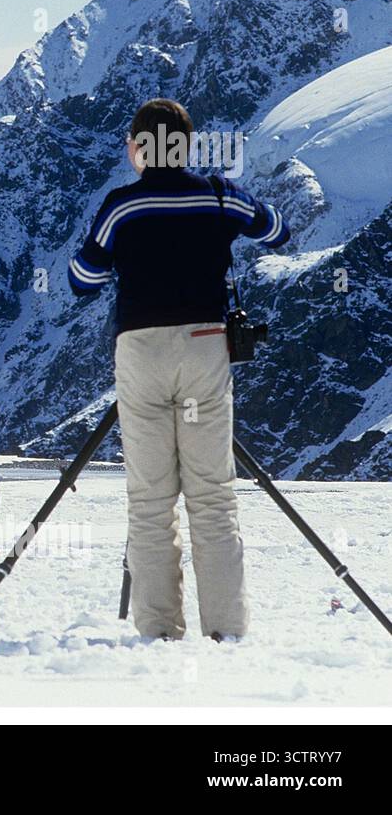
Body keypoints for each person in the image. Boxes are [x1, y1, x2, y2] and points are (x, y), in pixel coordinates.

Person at [69, 97, 290, 641]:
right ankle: (226, 631)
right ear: (187, 145)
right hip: (205, 345)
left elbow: (81, 279)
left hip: (141, 348)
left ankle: (160, 631)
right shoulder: (218, 195)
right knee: (213, 495)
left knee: (150, 499)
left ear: (139, 148)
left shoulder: (123, 205)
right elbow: (277, 231)